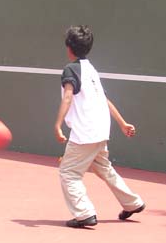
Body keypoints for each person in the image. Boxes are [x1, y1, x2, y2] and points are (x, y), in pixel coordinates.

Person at [54, 25, 145, 228]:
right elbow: (103, 99)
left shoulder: (71, 69)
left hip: (85, 134)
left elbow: (68, 96)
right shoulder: (91, 70)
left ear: (68, 47)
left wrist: (58, 125)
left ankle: (84, 213)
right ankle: (133, 203)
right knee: (104, 168)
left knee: (69, 172)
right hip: (101, 131)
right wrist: (122, 123)